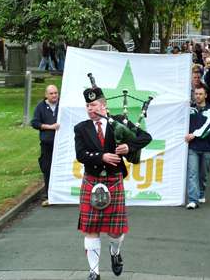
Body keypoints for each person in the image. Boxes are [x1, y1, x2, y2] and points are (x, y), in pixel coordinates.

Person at [75, 84, 152, 280]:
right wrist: (101, 157)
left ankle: (115, 252)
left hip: (113, 180)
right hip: (92, 181)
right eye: (87, 106)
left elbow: (145, 137)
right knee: (90, 229)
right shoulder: (81, 128)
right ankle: (94, 272)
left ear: (103, 105)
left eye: (93, 105)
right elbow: (81, 154)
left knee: (115, 232)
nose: (90, 109)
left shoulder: (118, 122)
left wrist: (128, 146)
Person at [185, 84, 210, 209]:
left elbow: (209, 127)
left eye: (200, 94)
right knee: (192, 173)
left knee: (203, 175)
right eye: (196, 94)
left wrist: (194, 134)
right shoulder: (189, 109)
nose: (198, 96)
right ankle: (193, 200)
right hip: (192, 147)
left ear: (205, 95)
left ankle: (201, 192)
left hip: (207, 148)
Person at [31, 85, 60, 206]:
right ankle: (48, 195)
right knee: (47, 169)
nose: (54, 96)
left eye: (56, 93)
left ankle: (61, 194)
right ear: (46, 95)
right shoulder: (40, 107)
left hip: (61, 144)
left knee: (61, 168)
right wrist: (50, 127)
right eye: (51, 93)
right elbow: (35, 123)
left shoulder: (62, 106)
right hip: (47, 143)